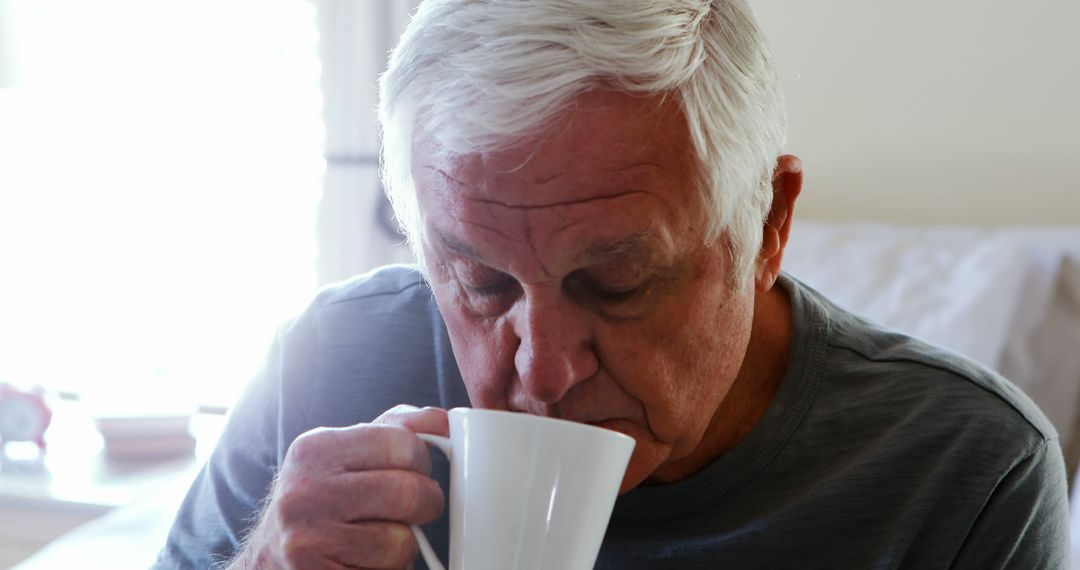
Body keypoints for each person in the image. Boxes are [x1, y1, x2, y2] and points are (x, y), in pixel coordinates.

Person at [155, 1, 1069, 568]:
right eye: (480, 282)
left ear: (768, 226)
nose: (543, 371)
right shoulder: (331, 362)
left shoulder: (964, 470)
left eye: (618, 283)